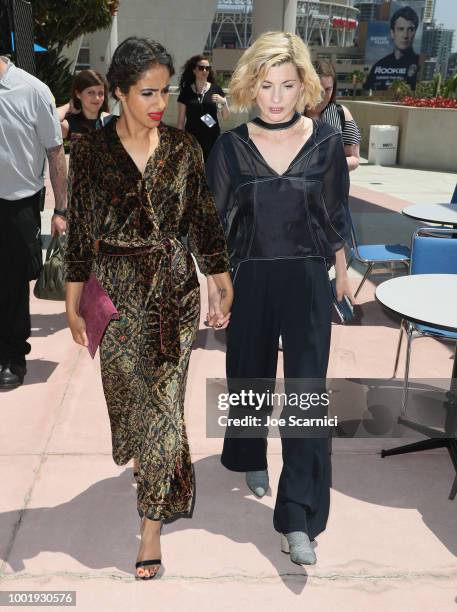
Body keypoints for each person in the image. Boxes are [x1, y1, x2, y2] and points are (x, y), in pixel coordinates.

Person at [64, 37, 233, 580]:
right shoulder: (89, 152)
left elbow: (202, 218)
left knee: (163, 403)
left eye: (165, 91)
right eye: (146, 92)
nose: (159, 102)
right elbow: (81, 233)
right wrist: (72, 305)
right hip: (113, 294)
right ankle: (153, 460)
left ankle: (151, 524)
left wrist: (217, 275)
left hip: (171, 293)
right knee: (125, 393)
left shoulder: (183, 150)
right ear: (117, 92)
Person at [206, 32, 353, 566]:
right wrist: (213, 287)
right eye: (266, 85)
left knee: (307, 397)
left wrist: (341, 272)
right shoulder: (231, 147)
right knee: (248, 375)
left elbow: (335, 216)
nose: (275, 97)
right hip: (249, 278)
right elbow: (212, 227)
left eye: (287, 85)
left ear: (304, 86)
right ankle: (247, 452)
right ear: (250, 85)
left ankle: (298, 516)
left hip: (309, 279)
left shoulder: (326, 142)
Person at [0, 53, 67, 389]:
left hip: (17, 205)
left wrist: (60, 210)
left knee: (11, 285)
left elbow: (55, 151)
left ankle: (13, 356)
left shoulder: (32, 91)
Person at [306, 59, 361, 172]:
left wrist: (329, 163)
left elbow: (354, 158)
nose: (322, 96)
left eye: (328, 90)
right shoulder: (291, 114)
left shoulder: (341, 114)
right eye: (317, 89)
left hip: (332, 187)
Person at [177, 54, 229, 160]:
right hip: (192, 139)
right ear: (194, 71)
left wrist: (223, 103)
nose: (204, 71)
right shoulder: (186, 92)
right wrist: (179, 141)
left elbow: (226, 116)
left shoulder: (216, 89)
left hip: (212, 138)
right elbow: (180, 121)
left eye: (207, 68)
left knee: (211, 170)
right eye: (201, 68)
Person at [365, 6, 420, 92]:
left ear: (415, 33)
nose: (405, 35)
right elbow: (366, 90)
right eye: (401, 29)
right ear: (392, 33)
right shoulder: (379, 65)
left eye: (410, 29)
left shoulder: (418, 64)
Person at [57, 69, 111, 140]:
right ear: (78, 94)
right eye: (91, 93)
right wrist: (68, 106)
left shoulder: (111, 122)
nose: (97, 98)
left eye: (100, 93)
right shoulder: (70, 124)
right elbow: (48, 121)